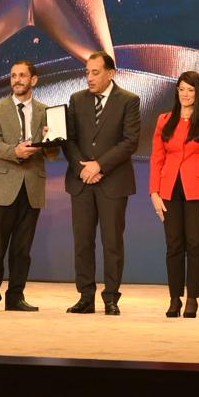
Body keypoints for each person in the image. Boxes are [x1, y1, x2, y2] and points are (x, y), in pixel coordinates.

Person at [63, 50, 140, 315]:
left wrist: (100, 166)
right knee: (83, 242)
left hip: (113, 182)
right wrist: (83, 169)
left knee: (112, 243)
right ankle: (85, 297)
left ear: (111, 73)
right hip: (82, 182)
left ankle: (111, 298)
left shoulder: (129, 101)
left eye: (95, 73)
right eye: (87, 72)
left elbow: (130, 141)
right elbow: (69, 140)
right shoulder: (77, 100)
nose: (90, 78)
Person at [0, 60, 58, 311]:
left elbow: (53, 153)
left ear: (33, 80)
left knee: (22, 249)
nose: (17, 80)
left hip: (31, 186)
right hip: (0, 187)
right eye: (13, 75)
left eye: (22, 75)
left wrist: (50, 139)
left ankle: (16, 297)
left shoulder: (47, 112)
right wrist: (15, 152)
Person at [150, 71, 199, 318]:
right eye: (181, 89)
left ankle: (192, 298)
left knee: (194, 244)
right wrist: (154, 192)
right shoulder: (165, 120)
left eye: (190, 90)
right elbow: (157, 158)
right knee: (173, 245)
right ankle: (174, 298)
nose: (185, 94)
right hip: (169, 189)